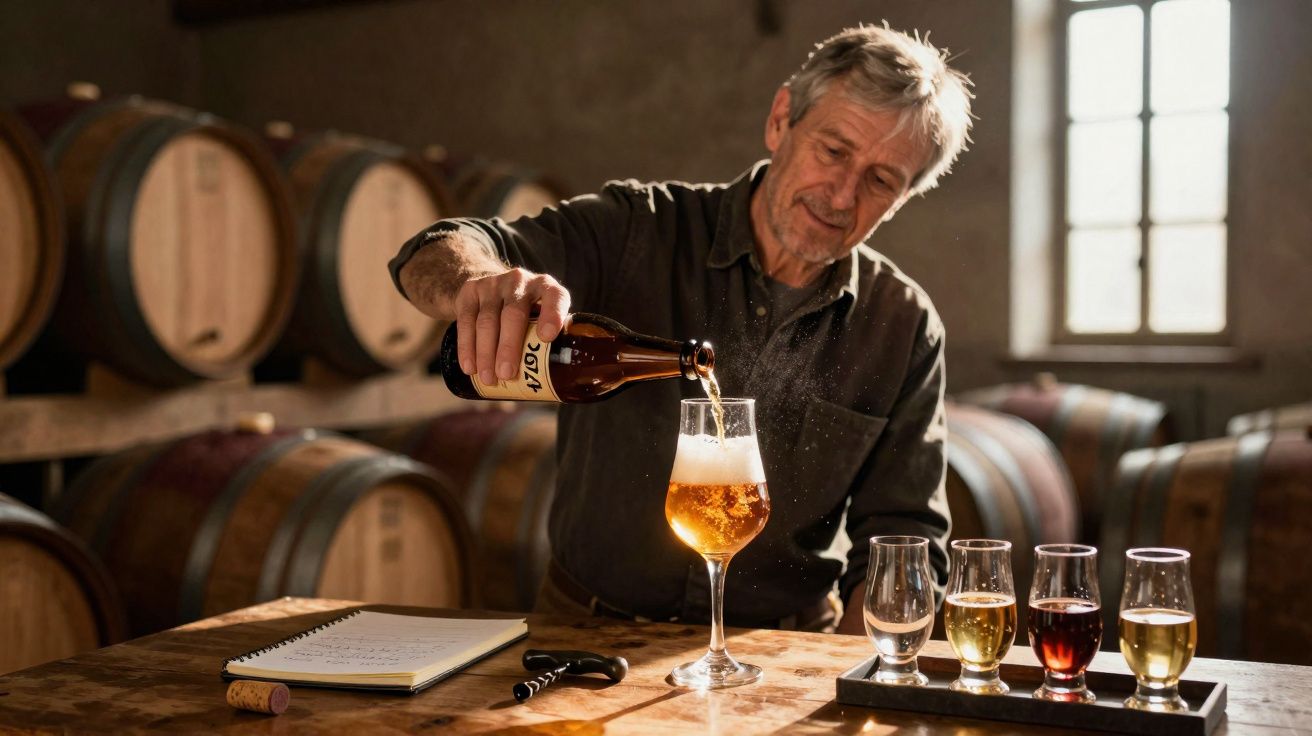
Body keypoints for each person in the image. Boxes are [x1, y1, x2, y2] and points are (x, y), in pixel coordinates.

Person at [391, 22, 973, 634]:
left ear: (904, 196)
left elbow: (904, 537)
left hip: (783, 646)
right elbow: (432, 252)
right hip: (587, 629)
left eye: (881, 181)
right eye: (833, 150)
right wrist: (478, 282)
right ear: (781, 120)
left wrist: (850, 687)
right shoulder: (635, 230)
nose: (842, 194)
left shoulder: (902, 324)